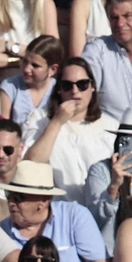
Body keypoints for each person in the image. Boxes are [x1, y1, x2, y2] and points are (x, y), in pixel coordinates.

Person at [0, 159, 112, 262]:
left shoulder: (74, 216)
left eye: (18, 197)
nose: (10, 202)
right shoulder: (1, 232)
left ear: (43, 200)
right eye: (8, 194)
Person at [20, 57, 116, 205]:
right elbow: (31, 163)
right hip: (59, 209)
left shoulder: (110, 126)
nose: (75, 91)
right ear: (58, 89)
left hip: (100, 211)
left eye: (82, 85)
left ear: (92, 87)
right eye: (67, 85)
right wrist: (57, 122)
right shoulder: (40, 119)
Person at [0, 0, 57, 78]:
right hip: (2, 74)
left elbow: (52, 54)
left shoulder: (45, 2)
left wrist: (9, 47)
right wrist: (26, 60)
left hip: (37, 77)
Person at [83, 0, 132, 123]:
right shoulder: (97, 51)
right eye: (114, 18)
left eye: (127, 16)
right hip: (111, 135)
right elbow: (83, 93)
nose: (120, 24)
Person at [0, 33, 62, 123]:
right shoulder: (10, 87)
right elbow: (2, 126)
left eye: (35, 66)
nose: (27, 69)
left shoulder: (59, 90)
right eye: (25, 61)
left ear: (52, 69)